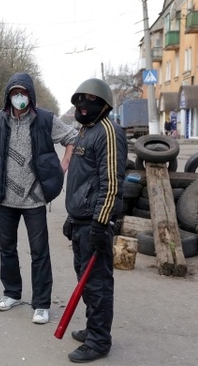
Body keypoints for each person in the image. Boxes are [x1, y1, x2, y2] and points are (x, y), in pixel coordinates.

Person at [0, 72, 77, 325]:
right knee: (7, 249)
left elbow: (72, 138)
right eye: (14, 93)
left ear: (30, 95)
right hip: (5, 199)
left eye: (22, 93)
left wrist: (62, 167)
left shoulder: (44, 119)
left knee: (39, 252)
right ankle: (11, 293)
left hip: (35, 199)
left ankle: (41, 304)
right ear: (8, 96)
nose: (18, 97)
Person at [63, 78, 127, 363]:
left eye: (90, 99)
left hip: (95, 223)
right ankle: (93, 329)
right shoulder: (84, 131)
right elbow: (80, 181)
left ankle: (100, 341)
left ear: (103, 104)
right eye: (80, 99)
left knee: (97, 283)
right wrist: (71, 216)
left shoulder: (108, 132)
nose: (83, 105)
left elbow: (111, 183)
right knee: (85, 281)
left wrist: (101, 224)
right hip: (80, 220)